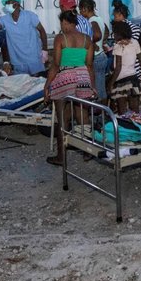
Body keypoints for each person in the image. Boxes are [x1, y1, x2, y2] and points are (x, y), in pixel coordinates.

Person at [44, 10, 96, 166]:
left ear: (67, 23)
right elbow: (89, 65)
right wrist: (92, 86)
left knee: (62, 119)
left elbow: (56, 65)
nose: (62, 26)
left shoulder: (61, 38)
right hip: (83, 76)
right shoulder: (87, 39)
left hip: (65, 76)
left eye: (63, 23)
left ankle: (61, 156)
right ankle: (87, 152)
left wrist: (47, 86)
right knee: (83, 115)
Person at [0, 0, 48, 76]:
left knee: (37, 84)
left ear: (16, 4)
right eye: (6, 4)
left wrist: (45, 50)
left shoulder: (30, 15)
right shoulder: (4, 19)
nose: (6, 6)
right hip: (17, 61)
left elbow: (42, 31)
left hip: (34, 59)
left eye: (8, 3)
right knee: (22, 86)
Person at [108, 21, 141, 114]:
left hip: (120, 80)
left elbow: (118, 67)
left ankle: (125, 126)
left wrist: (111, 83)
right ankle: (138, 126)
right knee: (135, 109)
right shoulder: (135, 42)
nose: (113, 36)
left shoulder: (118, 46)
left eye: (114, 33)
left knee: (122, 110)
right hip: (133, 78)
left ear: (119, 34)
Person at [79, 0, 109, 104]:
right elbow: (106, 32)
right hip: (101, 55)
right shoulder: (99, 19)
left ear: (85, 9)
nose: (80, 13)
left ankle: (103, 115)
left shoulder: (91, 21)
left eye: (80, 10)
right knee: (101, 87)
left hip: (96, 57)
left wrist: (91, 43)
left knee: (98, 90)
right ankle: (103, 114)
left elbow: (97, 34)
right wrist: (101, 44)